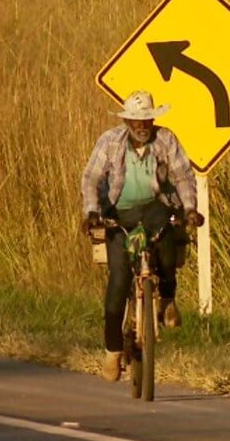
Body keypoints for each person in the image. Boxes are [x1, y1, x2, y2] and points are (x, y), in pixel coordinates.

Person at [80, 89, 204, 382]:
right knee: (119, 280)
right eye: (135, 121)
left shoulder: (166, 140)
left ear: (153, 119)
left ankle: (167, 298)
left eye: (146, 120)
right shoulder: (110, 142)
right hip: (119, 212)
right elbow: (92, 178)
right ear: (126, 121)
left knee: (167, 241)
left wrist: (189, 209)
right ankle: (112, 351)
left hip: (154, 208)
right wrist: (92, 212)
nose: (142, 127)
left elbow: (183, 176)